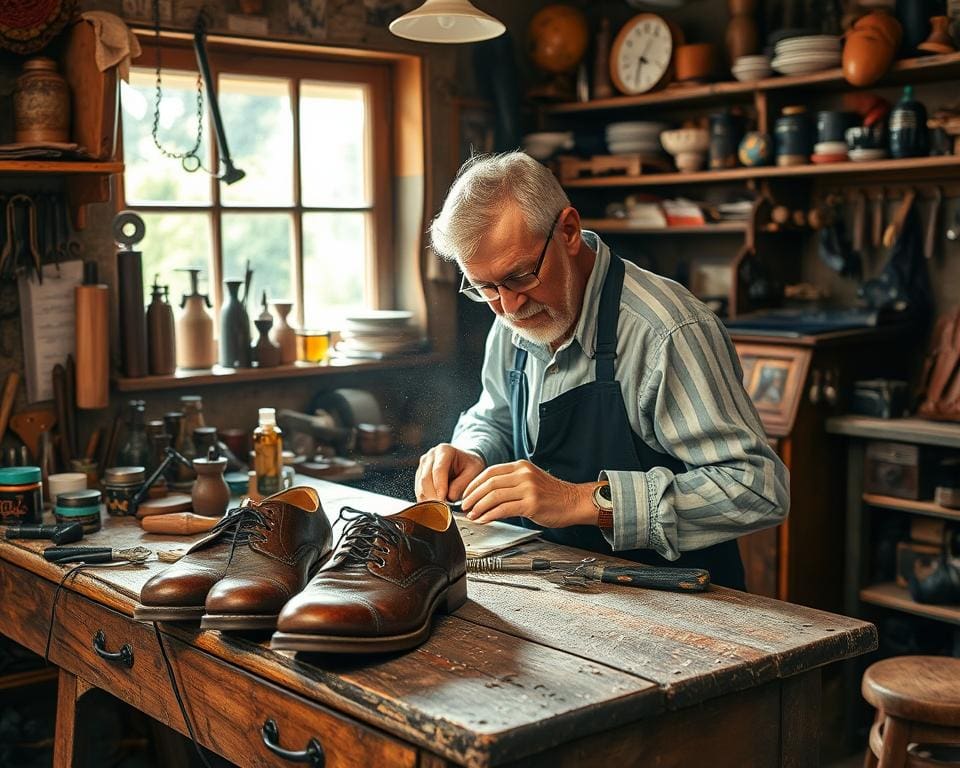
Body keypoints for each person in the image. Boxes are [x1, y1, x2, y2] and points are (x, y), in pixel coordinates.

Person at [415, 152, 789, 589]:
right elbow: (497, 414)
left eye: (520, 277)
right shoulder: (513, 315)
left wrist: (584, 500)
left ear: (569, 231)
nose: (509, 306)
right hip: (564, 592)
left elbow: (757, 489)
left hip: (680, 606)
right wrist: (473, 453)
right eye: (484, 287)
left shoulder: (667, 332)